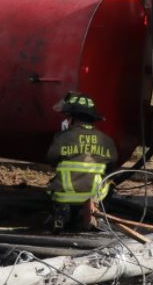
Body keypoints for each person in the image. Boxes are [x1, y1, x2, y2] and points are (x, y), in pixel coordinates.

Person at [45, 92, 117, 232]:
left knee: (53, 183)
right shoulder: (107, 140)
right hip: (94, 195)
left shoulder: (62, 137)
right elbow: (112, 165)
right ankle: (96, 213)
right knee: (110, 182)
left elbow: (51, 159)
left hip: (65, 195)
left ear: (72, 118)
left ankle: (60, 216)